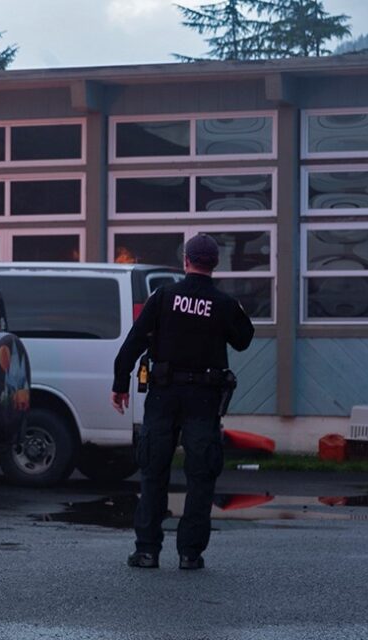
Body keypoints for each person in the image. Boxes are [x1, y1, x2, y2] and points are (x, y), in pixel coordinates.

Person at [111, 234, 254, 570]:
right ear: (214, 264)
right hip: (203, 399)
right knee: (201, 475)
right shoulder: (223, 304)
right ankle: (190, 553)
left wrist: (120, 383)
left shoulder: (163, 297)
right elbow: (244, 340)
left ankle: (147, 550)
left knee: (153, 471)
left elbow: (133, 342)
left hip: (163, 395)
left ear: (186, 261)